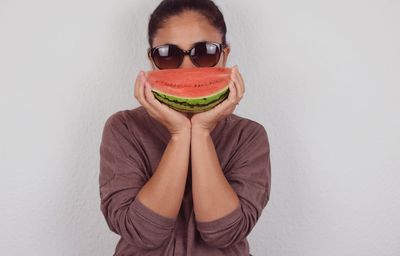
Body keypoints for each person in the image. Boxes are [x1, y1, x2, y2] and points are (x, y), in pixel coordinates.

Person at [99, 0, 271, 255]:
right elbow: (142, 232)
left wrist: (200, 132)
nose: (187, 69)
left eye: (205, 52)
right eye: (169, 54)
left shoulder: (249, 136)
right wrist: (180, 135)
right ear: (152, 59)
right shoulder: (123, 127)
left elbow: (224, 234)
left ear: (225, 54)